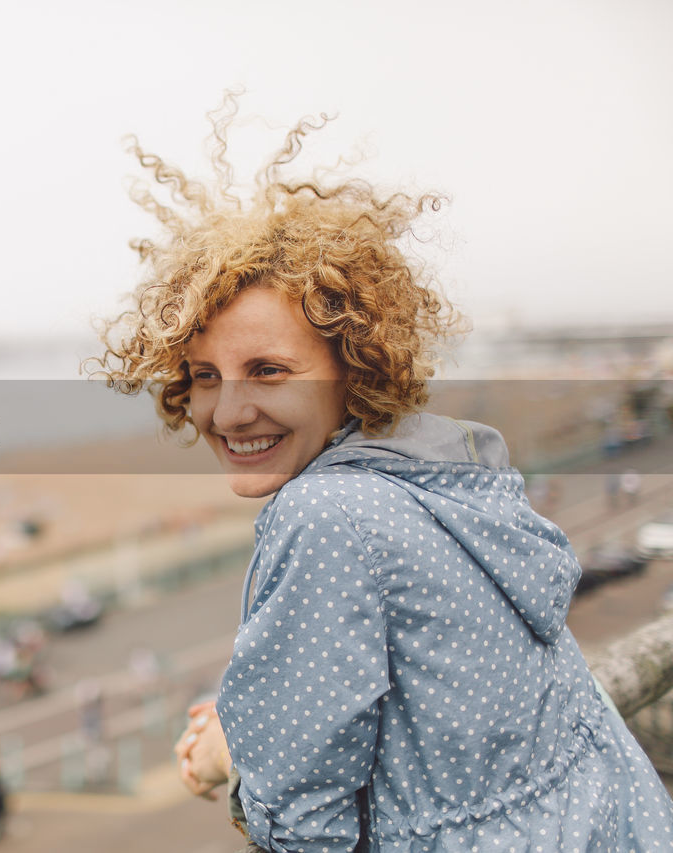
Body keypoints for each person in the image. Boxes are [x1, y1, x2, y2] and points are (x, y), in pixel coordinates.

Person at [94, 98, 673, 850]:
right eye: (205, 375)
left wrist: (235, 770)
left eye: (268, 370)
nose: (229, 411)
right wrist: (252, 731)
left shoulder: (324, 517)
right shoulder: (450, 474)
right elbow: (429, 701)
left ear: (352, 364)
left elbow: (304, 827)